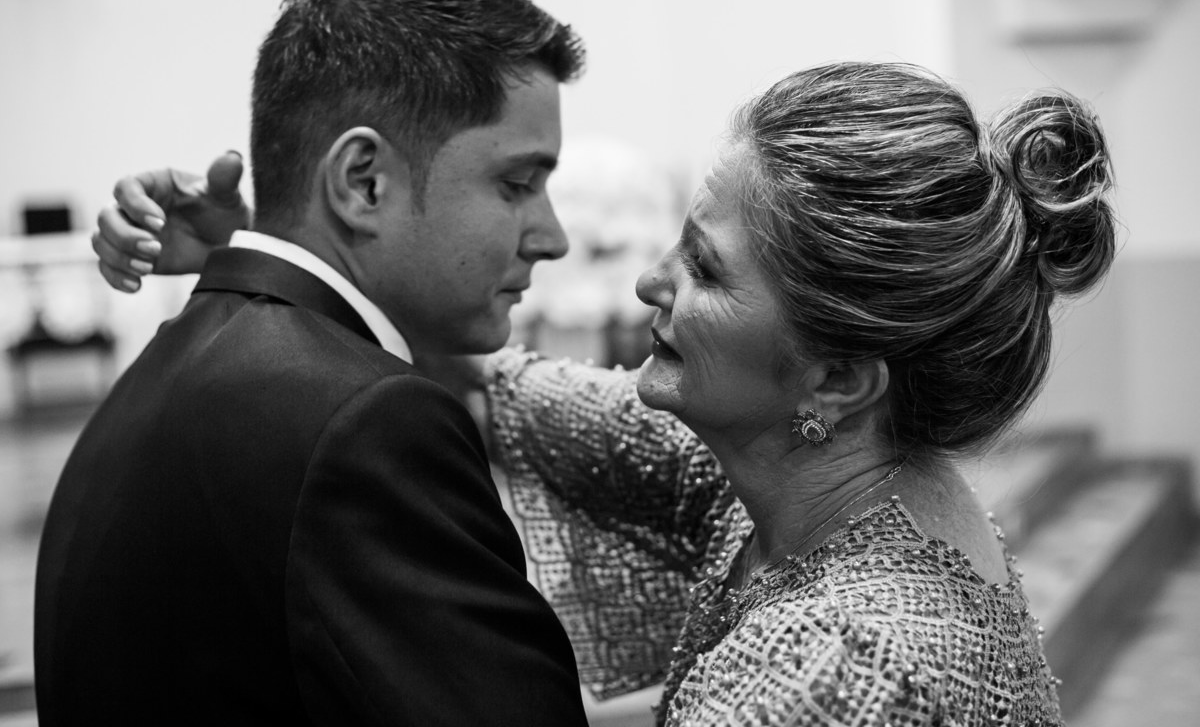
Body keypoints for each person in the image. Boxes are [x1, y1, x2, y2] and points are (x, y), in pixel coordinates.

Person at [93, 61, 1114, 725]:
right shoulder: (808, 473)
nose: (645, 283)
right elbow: (500, 382)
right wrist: (273, 251)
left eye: (706, 273)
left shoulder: (832, 666)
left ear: (837, 376)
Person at [36, 0, 591, 726]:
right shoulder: (370, 422)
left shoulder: (157, 379)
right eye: (517, 184)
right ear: (364, 181)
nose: (552, 235)